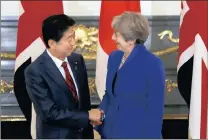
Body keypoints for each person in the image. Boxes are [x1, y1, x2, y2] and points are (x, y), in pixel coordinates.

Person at [24, 14, 103, 139]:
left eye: (73, 36)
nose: (74, 43)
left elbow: (84, 101)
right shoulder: (34, 71)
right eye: (68, 39)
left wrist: (88, 119)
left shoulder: (77, 59)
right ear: (51, 43)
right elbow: (50, 113)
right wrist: (87, 116)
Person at [94, 12, 165, 138]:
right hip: (109, 132)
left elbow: (155, 110)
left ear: (131, 40)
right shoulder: (114, 57)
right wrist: (100, 114)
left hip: (136, 134)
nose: (112, 38)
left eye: (116, 35)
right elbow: (109, 94)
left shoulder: (152, 63)